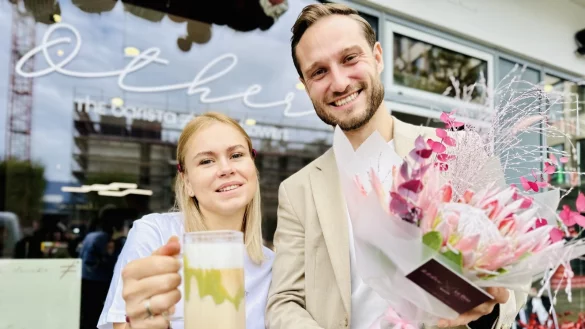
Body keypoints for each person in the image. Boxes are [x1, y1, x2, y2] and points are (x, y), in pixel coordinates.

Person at [265, 3, 526, 329]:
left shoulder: (461, 152)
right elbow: (283, 301)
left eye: (349, 58)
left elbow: (512, 280)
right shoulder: (297, 190)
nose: (339, 82)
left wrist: (484, 311)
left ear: (377, 56)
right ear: (305, 84)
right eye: (318, 72)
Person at [97, 112, 273, 329]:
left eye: (236, 155)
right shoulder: (156, 234)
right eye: (207, 161)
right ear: (187, 182)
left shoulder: (273, 266)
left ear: (253, 167)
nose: (226, 169)